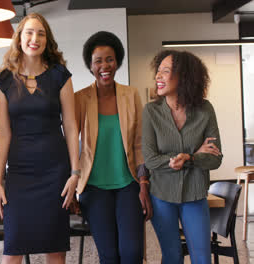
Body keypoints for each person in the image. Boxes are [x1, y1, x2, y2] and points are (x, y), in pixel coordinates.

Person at [0, 13, 80, 264]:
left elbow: (71, 126)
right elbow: (3, 133)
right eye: (29, 32)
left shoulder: (60, 76)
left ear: (47, 40)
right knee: (12, 249)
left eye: (41, 33)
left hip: (55, 172)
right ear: (19, 38)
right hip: (20, 174)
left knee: (54, 249)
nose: (35, 38)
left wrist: (75, 173)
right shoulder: (4, 80)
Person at [74, 31, 152, 263]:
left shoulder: (131, 94)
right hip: (94, 188)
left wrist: (144, 184)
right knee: (109, 255)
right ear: (90, 65)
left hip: (128, 184)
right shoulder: (80, 98)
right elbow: (69, 143)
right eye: (98, 60)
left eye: (109, 59)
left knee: (132, 253)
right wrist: (72, 182)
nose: (104, 65)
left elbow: (140, 143)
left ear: (117, 61)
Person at [142, 50, 223, 264]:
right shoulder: (151, 111)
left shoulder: (205, 110)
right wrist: (192, 155)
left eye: (165, 72)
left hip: (195, 195)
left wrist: (190, 158)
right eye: (157, 71)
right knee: (172, 257)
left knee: (202, 258)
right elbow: (150, 159)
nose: (158, 77)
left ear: (184, 76)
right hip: (161, 197)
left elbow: (215, 158)